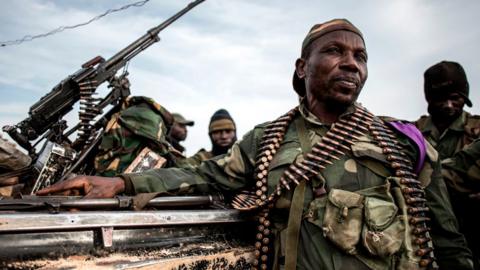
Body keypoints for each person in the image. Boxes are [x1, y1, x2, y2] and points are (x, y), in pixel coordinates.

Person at [38, 19, 473, 270]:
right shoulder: (267, 139)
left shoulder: (403, 141)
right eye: (335, 52)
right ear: (303, 68)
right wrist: (120, 185)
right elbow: (200, 174)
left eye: (360, 57)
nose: (351, 63)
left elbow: (444, 238)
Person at [415, 61, 480, 268]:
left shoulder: (477, 132)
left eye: (456, 98)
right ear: (429, 99)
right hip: (425, 239)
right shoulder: (412, 134)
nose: (449, 105)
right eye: (441, 99)